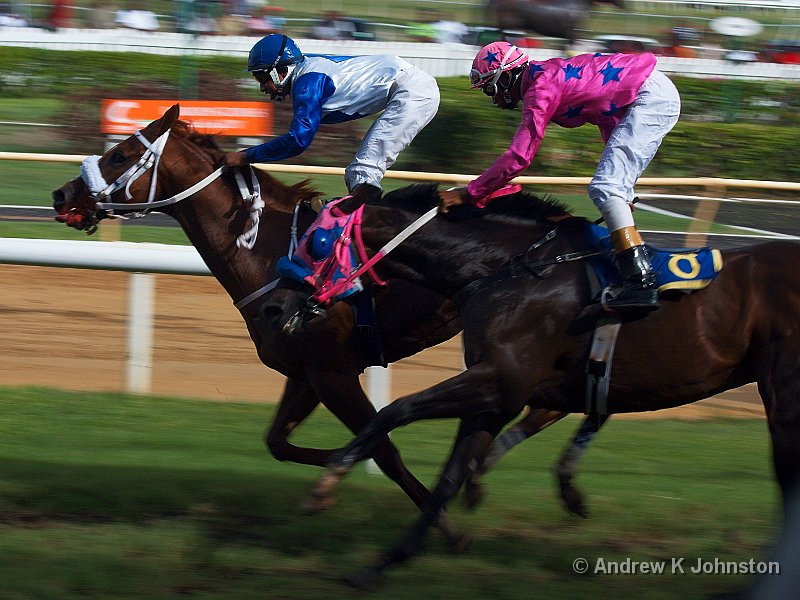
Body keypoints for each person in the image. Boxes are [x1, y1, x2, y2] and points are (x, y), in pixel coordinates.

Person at [439, 41, 681, 312]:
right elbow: (607, 115)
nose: (491, 98)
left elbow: (520, 157)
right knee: (612, 190)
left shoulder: (540, 87)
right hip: (646, 96)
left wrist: (469, 193)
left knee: (606, 188)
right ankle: (631, 267)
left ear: (506, 77)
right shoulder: (544, 77)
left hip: (650, 97)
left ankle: (640, 283)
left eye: (489, 88)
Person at [225, 34, 440, 209]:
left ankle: (369, 231)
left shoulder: (307, 84)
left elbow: (298, 141)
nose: (262, 87)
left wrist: (246, 156)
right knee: (359, 173)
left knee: (362, 172)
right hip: (413, 88)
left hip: (413, 91)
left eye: (262, 78)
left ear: (280, 72)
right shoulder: (304, 69)